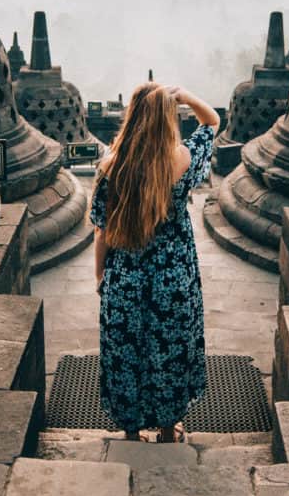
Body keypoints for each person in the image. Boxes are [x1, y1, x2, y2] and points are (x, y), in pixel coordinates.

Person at [90, 81, 220, 443]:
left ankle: (131, 432)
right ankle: (166, 429)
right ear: (167, 119)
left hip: (125, 277)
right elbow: (211, 123)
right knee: (171, 351)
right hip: (174, 276)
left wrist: (101, 274)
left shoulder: (111, 165)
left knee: (126, 352)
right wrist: (184, 96)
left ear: (131, 115)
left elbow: (101, 229)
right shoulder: (181, 159)